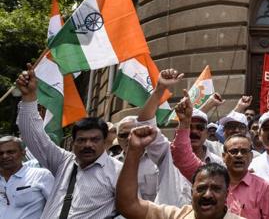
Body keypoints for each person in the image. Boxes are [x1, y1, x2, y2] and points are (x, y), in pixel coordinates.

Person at [16, 63, 122, 219]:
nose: (87, 145)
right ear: (73, 142)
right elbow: (33, 136)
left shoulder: (118, 171)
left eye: (94, 140)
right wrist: (29, 97)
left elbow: (131, 209)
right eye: (82, 140)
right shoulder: (63, 161)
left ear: (105, 141)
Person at [170, 97, 269, 218]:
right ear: (223, 156)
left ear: (251, 156)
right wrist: (184, 123)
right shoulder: (209, 175)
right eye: (234, 151)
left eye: (244, 151)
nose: (239, 155)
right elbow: (182, 157)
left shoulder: (263, 187)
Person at [116, 125, 245, 219]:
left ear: (227, 193)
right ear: (191, 191)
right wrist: (133, 151)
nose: (207, 195)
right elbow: (127, 205)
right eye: (201, 188)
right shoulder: (175, 216)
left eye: (216, 189)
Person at [136, 68, 222, 206]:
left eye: (200, 128)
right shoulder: (167, 152)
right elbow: (144, 125)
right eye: (189, 126)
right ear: (180, 129)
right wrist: (160, 89)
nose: (194, 131)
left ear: (207, 133)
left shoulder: (218, 162)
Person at [0, 136, 54, 219]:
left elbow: (56, 207)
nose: (5, 156)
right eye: (1, 153)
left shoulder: (41, 175)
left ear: (23, 153)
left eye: (10, 152)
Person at [115, 115, 160, 201]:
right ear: (117, 138)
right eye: (123, 135)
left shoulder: (157, 160)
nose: (129, 138)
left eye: (134, 133)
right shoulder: (112, 164)